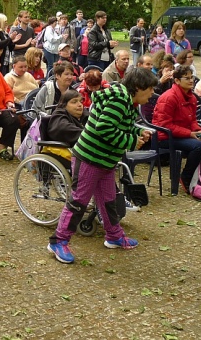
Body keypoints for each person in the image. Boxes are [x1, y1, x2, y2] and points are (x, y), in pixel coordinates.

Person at [47, 68, 157, 264]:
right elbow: (104, 128)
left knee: (108, 199)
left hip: (105, 159)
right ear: (138, 88)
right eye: (150, 89)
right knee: (79, 200)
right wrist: (132, 141)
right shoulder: (120, 100)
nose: (152, 94)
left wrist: (137, 134)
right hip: (90, 158)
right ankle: (58, 241)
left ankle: (114, 236)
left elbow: (121, 125)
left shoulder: (127, 101)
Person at [152, 67, 201, 191]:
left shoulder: (191, 97)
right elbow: (164, 125)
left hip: (183, 134)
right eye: (187, 78)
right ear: (177, 81)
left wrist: (197, 130)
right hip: (165, 136)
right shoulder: (169, 97)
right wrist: (189, 133)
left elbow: (192, 120)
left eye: (192, 77)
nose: (191, 80)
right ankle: (186, 177)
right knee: (198, 146)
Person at [44, 89, 89, 169]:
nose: (79, 105)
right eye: (74, 102)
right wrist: (89, 134)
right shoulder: (59, 116)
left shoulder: (82, 116)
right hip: (64, 152)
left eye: (80, 101)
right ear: (64, 105)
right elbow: (65, 129)